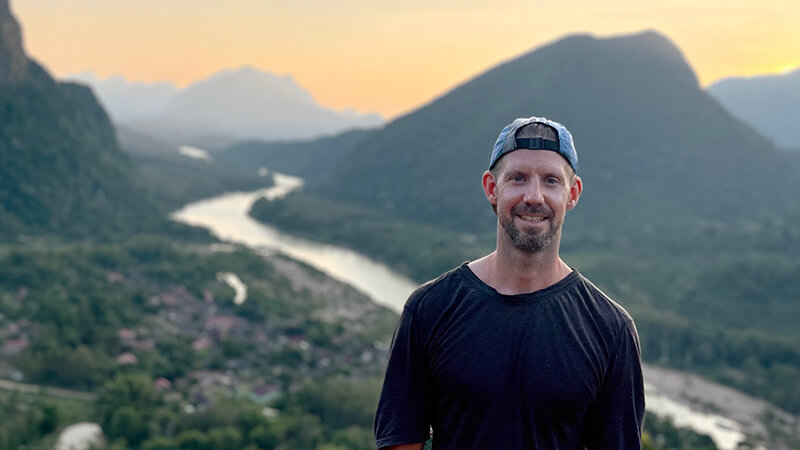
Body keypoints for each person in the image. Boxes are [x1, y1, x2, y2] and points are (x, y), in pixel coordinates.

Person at [374, 117, 645, 449]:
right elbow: (401, 442)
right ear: (491, 188)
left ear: (572, 194)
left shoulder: (611, 330)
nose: (534, 196)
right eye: (518, 178)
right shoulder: (430, 309)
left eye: (551, 181)